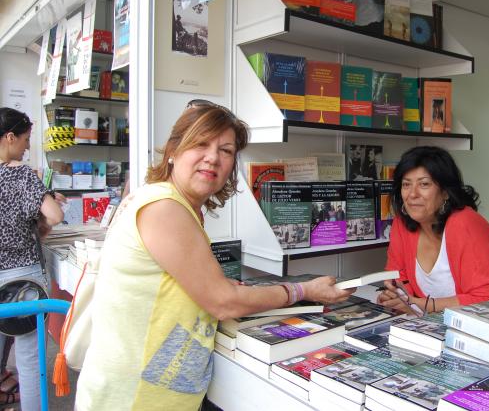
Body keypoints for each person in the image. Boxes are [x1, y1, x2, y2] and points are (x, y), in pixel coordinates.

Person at [75, 101, 353, 410]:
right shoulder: (165, 208)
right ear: (173, 150)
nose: (213, 157)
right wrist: (302, 290)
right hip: (135, 398)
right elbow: (224, 303)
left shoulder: (168, 201)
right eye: (201, 143)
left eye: (226, 150)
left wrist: (217, 286)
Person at [377, 146, 489, 315]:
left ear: (445, 192)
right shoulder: (402, 223)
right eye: (406, 184)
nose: (412, 194)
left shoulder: (465, 224)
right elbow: (397, 276)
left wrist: (418, 304)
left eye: (424, 184)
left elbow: (488, 300)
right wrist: (396, 297)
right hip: (447, 323)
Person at [0, 107, 65, 411]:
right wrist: (45, 210)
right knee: (30, 362)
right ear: (10, 137)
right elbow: (55, 215)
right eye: (26, 139)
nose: (27, 147)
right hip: (23, 280)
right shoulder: (21, 174)